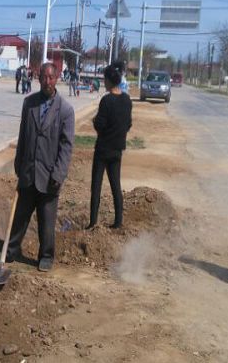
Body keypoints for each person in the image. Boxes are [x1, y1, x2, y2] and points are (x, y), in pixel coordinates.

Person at [7, 62, 75, 272]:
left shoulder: (65, 110)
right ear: (38, 78)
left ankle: (46, 256)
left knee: (47, 222)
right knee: (20, 217)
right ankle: (10, 251)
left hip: (49, 176)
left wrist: (59, 173)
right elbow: (23, 135)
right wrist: (19, 163)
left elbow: (66, 146)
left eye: (51, 78)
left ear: (57, 79)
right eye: (43, 77)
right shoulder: (29, 104)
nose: (47, 81)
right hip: (28, 171)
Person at [86, 64, 133, 230]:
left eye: (104, 79)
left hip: (103, 150)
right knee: (116, 186)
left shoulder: (106, 100)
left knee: (96, 186)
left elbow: (100, 124)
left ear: (108, 81)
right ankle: (118, 221)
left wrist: (94, 121)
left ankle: (93, 222)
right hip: (117, 149)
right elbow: (128, 124)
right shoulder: (127, 100)